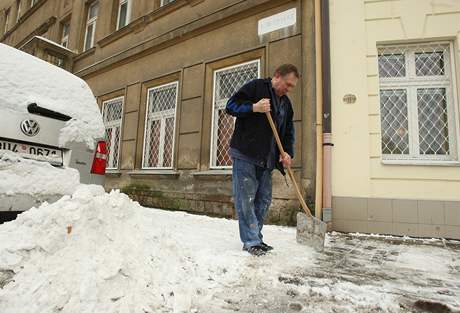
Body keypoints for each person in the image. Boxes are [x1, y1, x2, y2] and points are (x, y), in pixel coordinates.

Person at [225, 64, 299, 256]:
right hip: (246, 154)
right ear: (277, 76)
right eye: (288, 84)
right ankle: (251, 241)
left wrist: (288, 153)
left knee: (263, 200)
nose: (289, 89)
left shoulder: (286, 104)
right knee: (246, 199)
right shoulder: (256, 87)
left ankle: (256, 237)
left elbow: (288, 132)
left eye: (292, 87)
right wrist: (254, 107)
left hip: (267, 159)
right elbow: (230, 106)